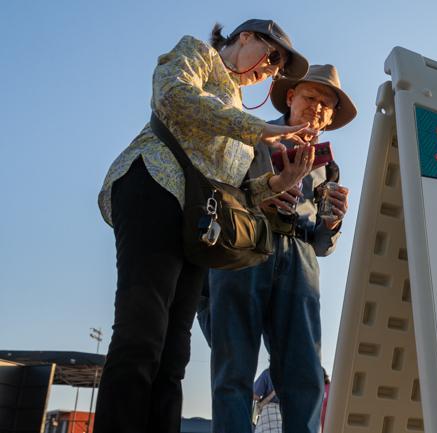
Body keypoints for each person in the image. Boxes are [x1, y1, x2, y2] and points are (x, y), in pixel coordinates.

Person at [94, 19, 316, 433]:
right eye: (270, 58)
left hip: (199, 222)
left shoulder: (236, 115)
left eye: (275, 70)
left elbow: (237, 194)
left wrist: (278, 184)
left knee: (174, 352)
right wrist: (257, 129)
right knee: (141, 334)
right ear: (244, 37)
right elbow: (173, 95)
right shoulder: (198, 54)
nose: (267, 72)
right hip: (154, 186)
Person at [203, 64, 356, 433]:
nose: (317, 107)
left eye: (326, 104)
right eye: (311, 97)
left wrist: (332, 223)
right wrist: (262, 195)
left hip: (300, 258)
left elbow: (322, 245)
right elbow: (215, 189)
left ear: (332, 116)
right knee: (233, 368)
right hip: (246, 245)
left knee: (305, 375)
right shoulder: (251, 135)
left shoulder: (328, 166)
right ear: (291, 97)